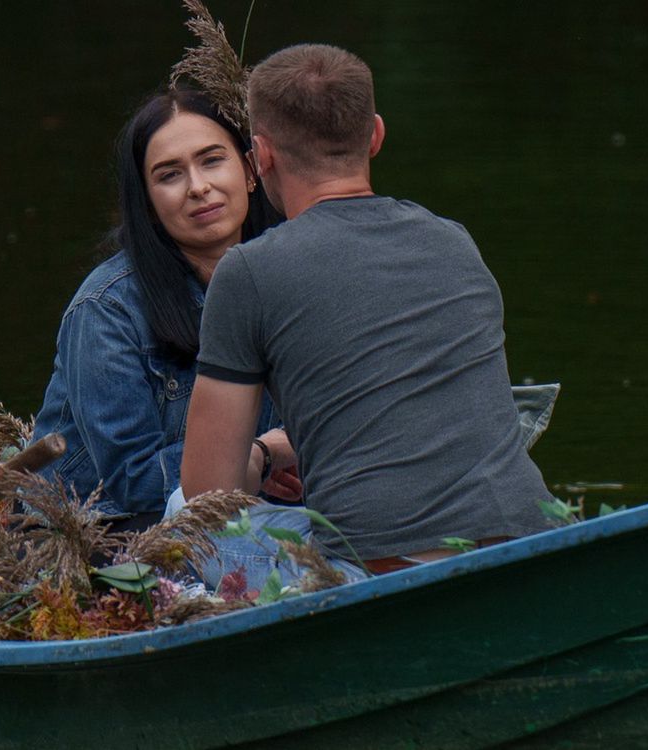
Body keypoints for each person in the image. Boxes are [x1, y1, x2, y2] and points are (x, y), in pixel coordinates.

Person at [181, 44, 557, 577]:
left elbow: (207, 497)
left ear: (260, 156)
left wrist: (266, 454)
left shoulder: (248, 271)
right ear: (376, 134)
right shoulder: (454, 241)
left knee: (179, 512)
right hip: (527, 545)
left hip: (380, 572)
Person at [31, 88, 299, 531]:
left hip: (237, 516)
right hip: (100, 535)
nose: (199, 187)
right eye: (170, 175)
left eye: (212, 160)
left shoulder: (288, 281)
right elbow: (131, 481)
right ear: (149, 204)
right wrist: (260, 454)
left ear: (251, 170)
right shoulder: (107, 308)